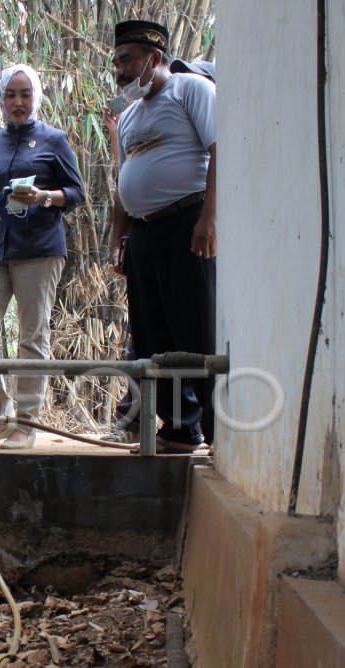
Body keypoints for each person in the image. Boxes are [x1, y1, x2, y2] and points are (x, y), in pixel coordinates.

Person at [0, 64, 85, 450]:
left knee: (33, 335)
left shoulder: (54, 139)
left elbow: (76, 193)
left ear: (36, 98)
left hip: (39, 248)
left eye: (24, 95)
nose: (17, 102)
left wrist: (45, 196)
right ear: (1, 98)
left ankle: (27, 423)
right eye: (10, 94)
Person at [111, 20, 217, 451]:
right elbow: (123, 177)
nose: (119, 70)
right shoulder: (131, 112)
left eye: (127, 60)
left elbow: (219, 149)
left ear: (154, 58)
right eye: (116, 62)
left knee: (194, 329)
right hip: (143, 234)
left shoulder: (191, 89)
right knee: (152, 334)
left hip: (185, 222)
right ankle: (179, 426)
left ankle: (218, 431)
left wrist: (209, 219)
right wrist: (120, 237)